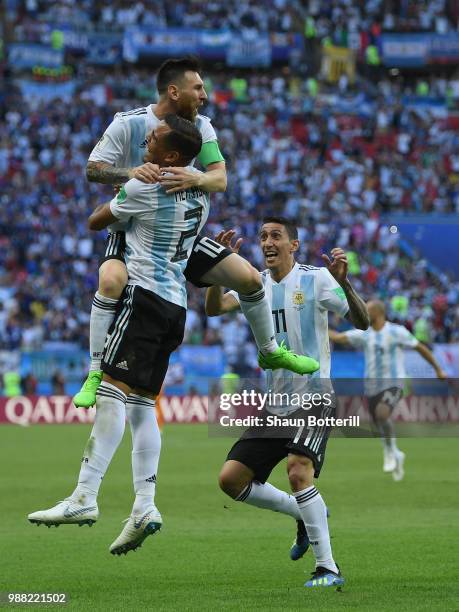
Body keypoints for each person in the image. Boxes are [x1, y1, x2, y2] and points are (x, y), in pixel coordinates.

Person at [74, 56, 318, 409]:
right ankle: (95, 369)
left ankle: (270, 352)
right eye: (198, 88)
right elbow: (93, 170)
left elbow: (219, 178)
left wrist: (196, 177)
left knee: (249, 278)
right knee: (110, 281)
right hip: (135, 223)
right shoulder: (129, 124)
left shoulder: (202, 126)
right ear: (175, 92)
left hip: (178, 231)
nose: (204, 95)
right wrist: (131, 173)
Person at [28, 115, 208, 556]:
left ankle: (84, 497)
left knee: (111, 395)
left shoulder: (145, 188)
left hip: (143, 299)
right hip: (176, 307)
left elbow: (97, 221)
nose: (146, 138)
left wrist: (124, 187)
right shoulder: (202, 193)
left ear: (169, 156)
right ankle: (145, 506)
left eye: (155, 138)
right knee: (144, 406)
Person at [205, 218, 369, 589]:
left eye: (276, 236)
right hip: (275, 401)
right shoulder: (253, 282)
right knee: (231, 480)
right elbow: (214, 309)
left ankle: (328, 567)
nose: (267, 242)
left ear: (293, 245)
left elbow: (361, 323)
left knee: (298, 471)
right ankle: (303, 512)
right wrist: (217, 270)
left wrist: (344, 282)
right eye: (263, 236)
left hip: (315, 396)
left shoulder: (316, 279)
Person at [329, 300, 447, 481]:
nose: (364, 313)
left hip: (395, 383)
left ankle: (390, 452)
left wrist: (438, 368)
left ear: (378, 313)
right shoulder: (365, 333)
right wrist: (319, 326)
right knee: (378, 421)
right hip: (371, 385)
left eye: (368, 310)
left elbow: (420, 348)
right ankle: (394, 451)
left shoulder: (396, 332)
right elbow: (338, 338)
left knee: (382, 414)